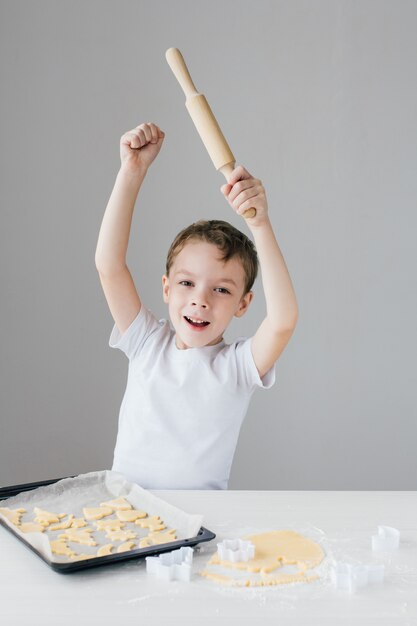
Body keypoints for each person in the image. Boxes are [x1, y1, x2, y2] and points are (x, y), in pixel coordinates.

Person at [95, 122, 298, 489]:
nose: (199, 300)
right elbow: (109, 266)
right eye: (187, 283)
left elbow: (283, 320)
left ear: (243, 304)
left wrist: (261, 224)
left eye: (221, 290)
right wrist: (132, 172)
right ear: (167, 288)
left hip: (201, 523)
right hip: (126, 513)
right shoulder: (146, 344)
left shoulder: (236, 368)